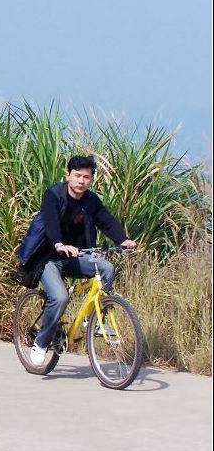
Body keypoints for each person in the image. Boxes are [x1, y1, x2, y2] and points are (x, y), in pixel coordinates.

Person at [30, 155, 137, 366]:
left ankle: (95, 319)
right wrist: (60, 244)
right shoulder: (53, 195)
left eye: (86, 177)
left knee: (106, 268)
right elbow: (50, 222)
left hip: (78, 256)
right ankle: (41, 343)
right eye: (77, 175)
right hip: (49, 258)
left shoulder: (91, 200)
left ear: (91, 179)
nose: (81, 181)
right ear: (68, 175)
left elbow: (106, 221)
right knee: (60, 298)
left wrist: (123, 239)